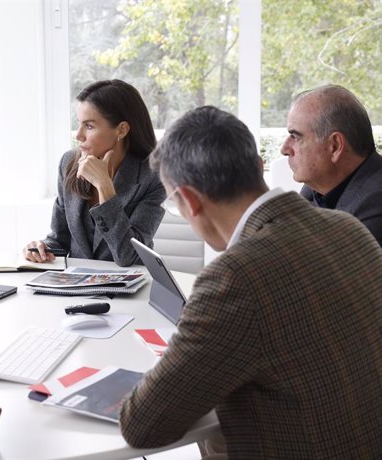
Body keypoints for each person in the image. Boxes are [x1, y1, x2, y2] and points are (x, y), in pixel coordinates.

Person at [119, 106, 382, 458]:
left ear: (191, 201)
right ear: (257, 166)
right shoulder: (349, 229)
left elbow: (143, 426)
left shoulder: (234, 277)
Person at [23, 79, 166, 267]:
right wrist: (42, 248)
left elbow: (127, 256)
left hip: (129, 289)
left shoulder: (154, 177)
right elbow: (60, 240)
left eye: (89, 126)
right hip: (77, 287)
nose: (78, 135)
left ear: (121, 130)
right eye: (79, 124)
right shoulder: (69, 164)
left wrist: (104, 187)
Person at [281, 84, 382, 245]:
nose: (284, 149)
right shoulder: (316, 187)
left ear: (334, 146)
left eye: (296, 137)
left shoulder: (373, 210)